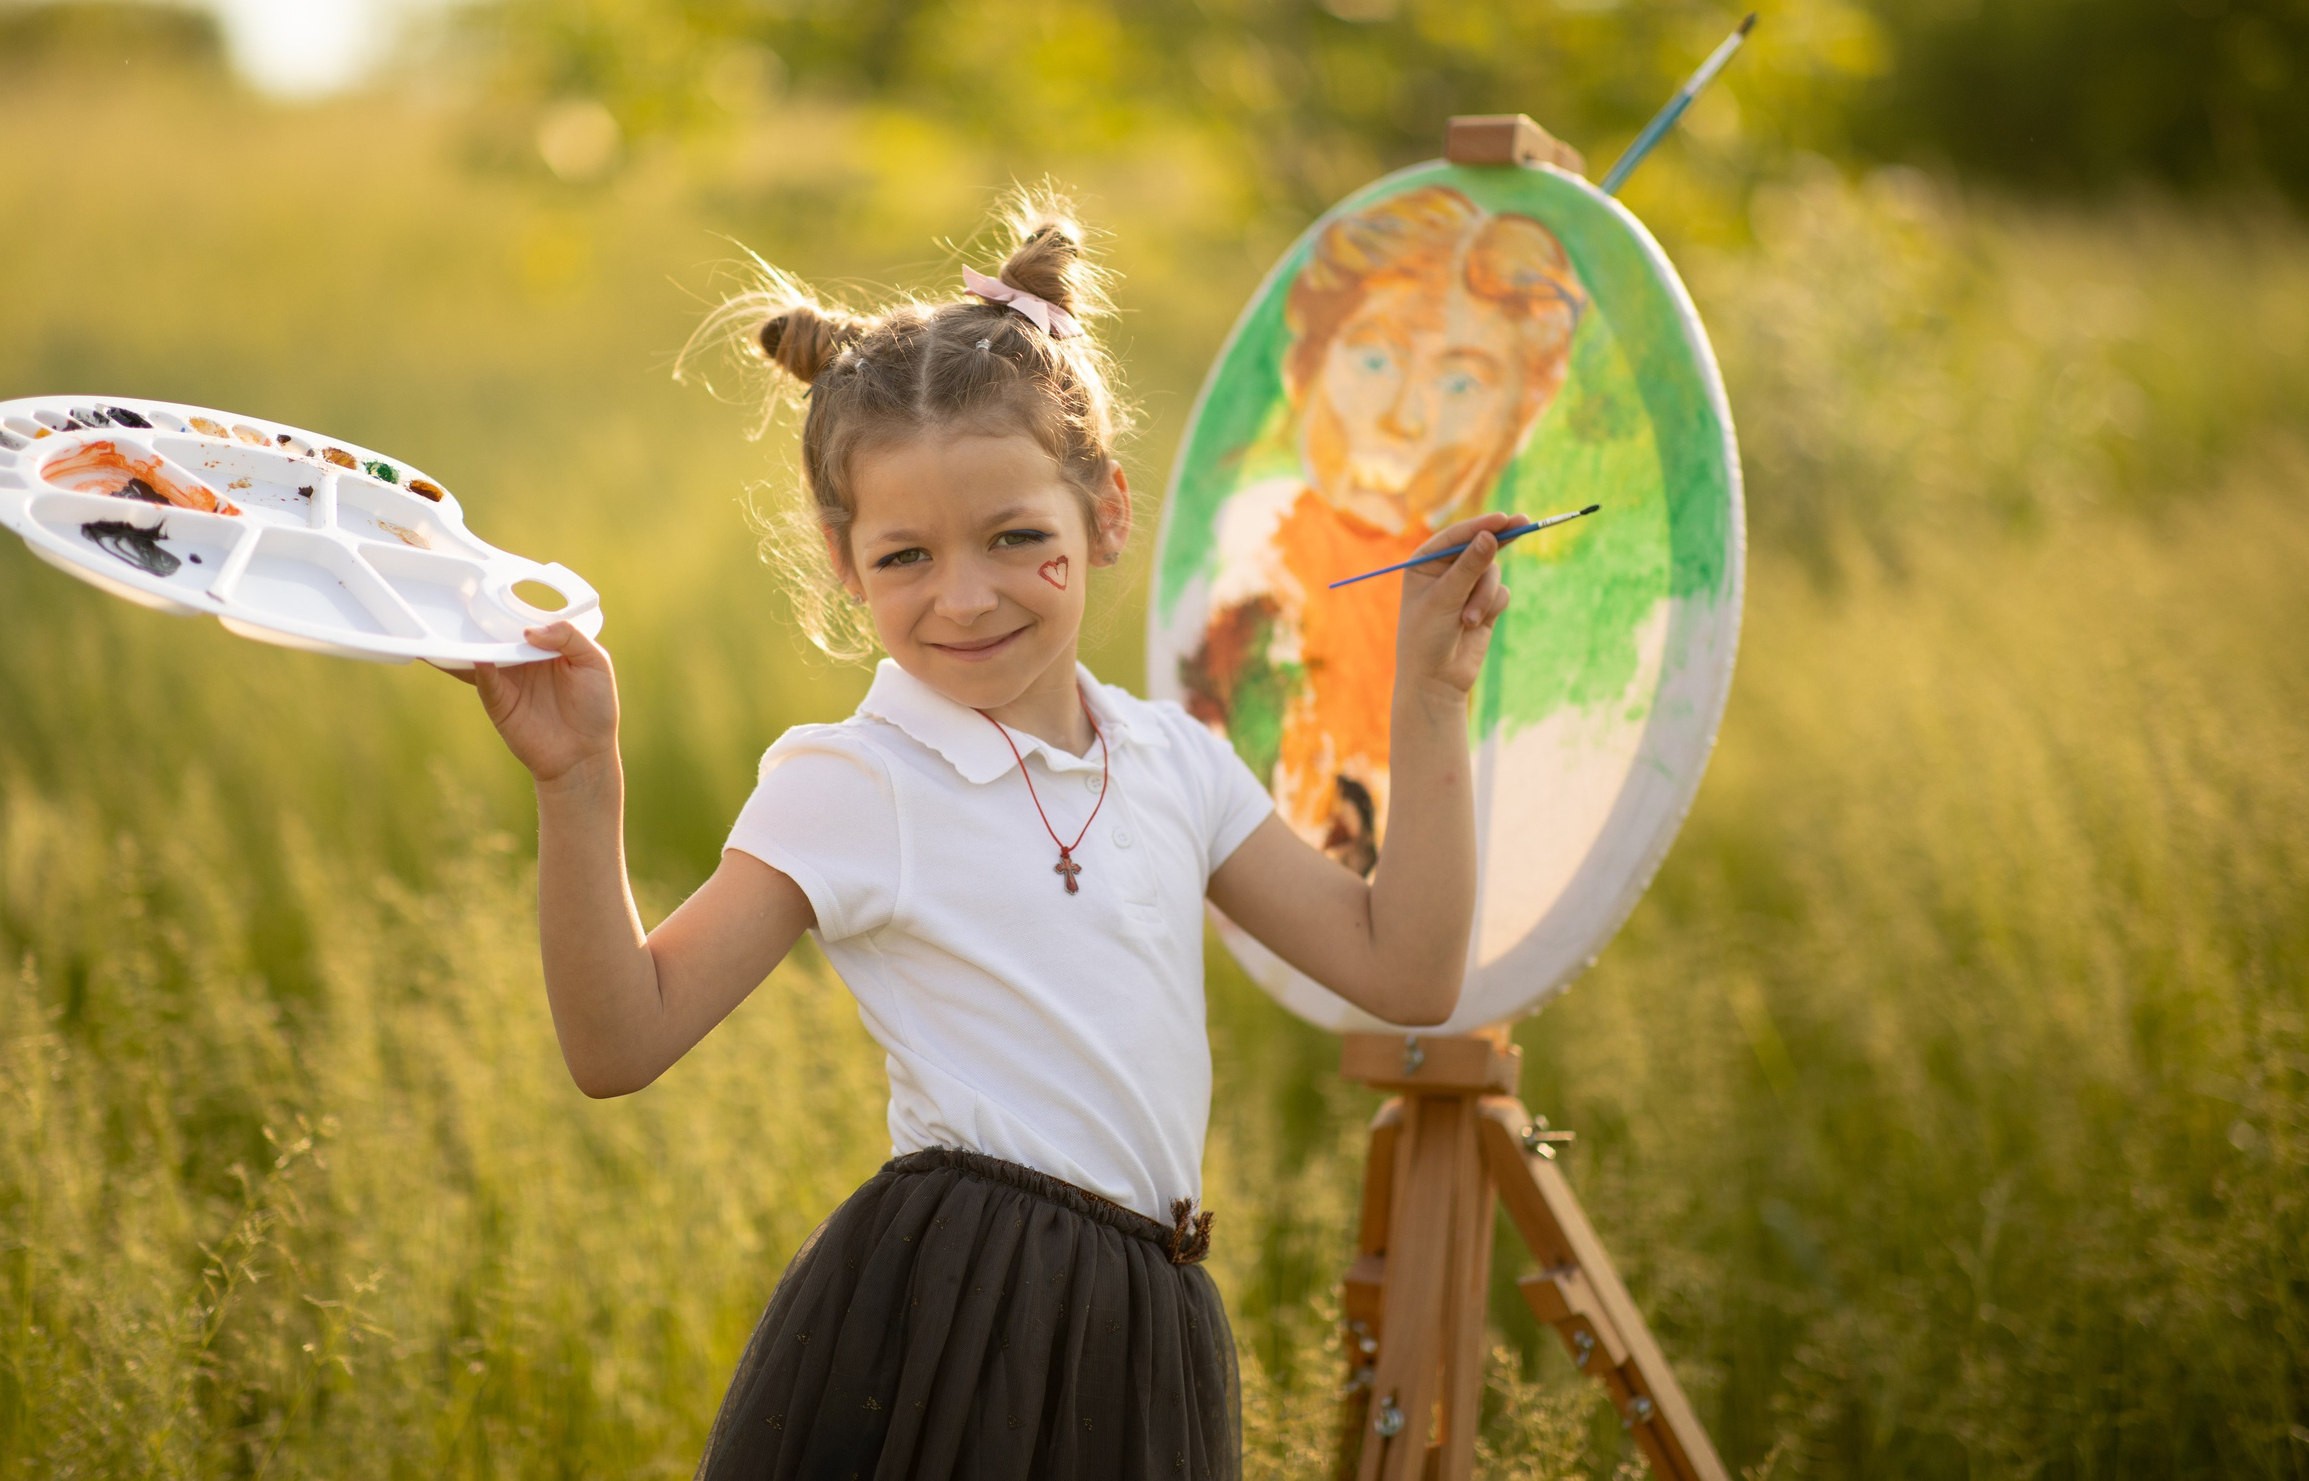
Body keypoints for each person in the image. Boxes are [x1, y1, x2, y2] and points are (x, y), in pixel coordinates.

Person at [456, 192, 1524, 1481]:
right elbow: (620, 1042)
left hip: (1148, 1324)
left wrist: (1432, 694)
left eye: (1017, 539)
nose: (963, 597)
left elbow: (1405, 972)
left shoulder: (1173, 758)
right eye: (905, 557)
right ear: (842, 561)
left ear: (1105, 514)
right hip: (956, 1317)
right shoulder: (857, 778)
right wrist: (580, 783)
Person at [1177, 185, 1584, 874]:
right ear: (1304, 366)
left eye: (1461, 386)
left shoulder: (1514, 634)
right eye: (1374, 360)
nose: (1405, 418)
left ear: (1516, 424)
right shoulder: (1250, 564)